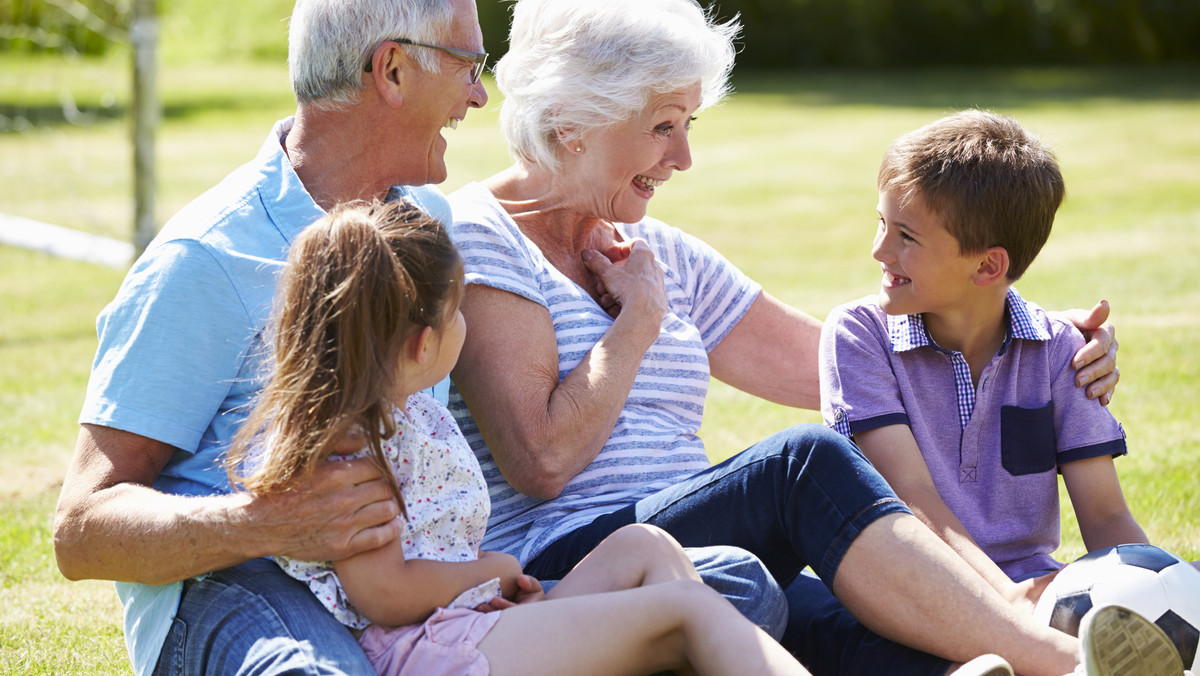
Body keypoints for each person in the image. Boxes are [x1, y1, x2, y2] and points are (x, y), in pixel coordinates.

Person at [445, 1, 1122, 674]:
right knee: (803, 465)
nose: (683, 157)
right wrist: (639, 322)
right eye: (662, 127)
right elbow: (542, 459)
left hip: (706, 549)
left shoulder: (655, 249)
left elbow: (842, 367)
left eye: (687, 126)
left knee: (871, 625)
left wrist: (1031, 339)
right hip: (569, 567)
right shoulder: (483, 239)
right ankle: (1066, 662)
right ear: (573, 124)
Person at [51, 0, 492, 673]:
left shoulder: (426, 223)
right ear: (393, 69)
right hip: (240, 584)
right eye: (469, 65)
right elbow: (81, 532)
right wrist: (267, 523)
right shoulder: (206, 258)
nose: (480, 94)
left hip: (394, 585)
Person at [230, 199, 810, 676]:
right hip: (423, 650)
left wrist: (491, 582)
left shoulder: (402, 420)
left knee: (646, 546)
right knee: (687, 610)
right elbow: (383, 594)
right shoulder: (349, 451)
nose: (467, 325)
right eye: (458, 313)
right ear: (419, 345)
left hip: (466, 621)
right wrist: (495, 570)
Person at [814, 110, 1192, 675]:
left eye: (906, 236)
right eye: (882, 224)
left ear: (988, 265)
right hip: (909, 588)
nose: (879, 250)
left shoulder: (1063, 350)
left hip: (1036, 594)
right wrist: (1005, 605)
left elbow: (1107, 519)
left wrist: (1175, 597)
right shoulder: (858, 335)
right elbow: (912, 497)